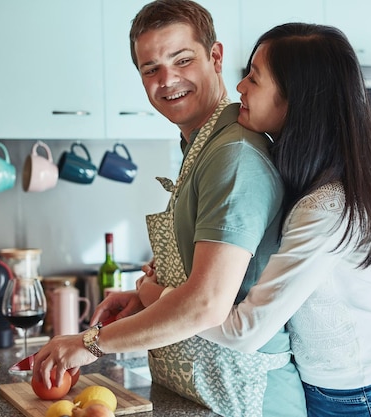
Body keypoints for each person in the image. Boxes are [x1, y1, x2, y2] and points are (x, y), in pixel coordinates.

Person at [32, 2, 307, 417]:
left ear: (215, 57)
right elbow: (201, 277)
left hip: (246, 397)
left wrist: (88, 343)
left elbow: (206, 303)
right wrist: (142, 299)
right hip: (204, 392)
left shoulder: (232, 155)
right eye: (150, 69)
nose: (168, 80)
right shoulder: (202, 145)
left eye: (182, 60)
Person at [137, 23, 371, 417]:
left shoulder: (326, 206)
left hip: (362, 399)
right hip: (331, 390)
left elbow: (244, 330)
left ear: (297, 98)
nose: (240, 89)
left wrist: (158, 298)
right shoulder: (305, 179)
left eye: (254, 77)